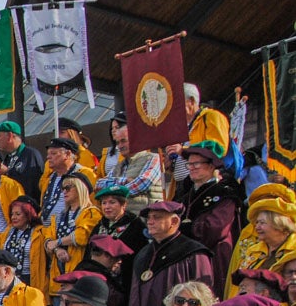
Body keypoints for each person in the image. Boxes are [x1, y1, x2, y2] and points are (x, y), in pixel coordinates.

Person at [174, 141, 242, 275]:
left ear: (211, 166)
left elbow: (216, 229)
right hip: (184, 257)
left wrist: (184, 229)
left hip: (212, 257)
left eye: (196, 164)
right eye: (189, 164)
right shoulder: (186, 195)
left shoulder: (225, 194)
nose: (191, 168)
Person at [227, 184, 296, 296]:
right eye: (257, 222)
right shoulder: (253, 251)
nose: (257, 227)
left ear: (278, 224)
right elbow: (238, 287)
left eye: (262, 223)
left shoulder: (293, 250)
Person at [43, 175, 103, 300]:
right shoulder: (59, 216)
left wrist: (57, 242)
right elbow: (48, 240)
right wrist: (57, 249)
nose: (64, 191)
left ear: (80, 188)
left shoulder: (91, 212)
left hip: (79, 274)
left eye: (68, 187)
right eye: (62, 188)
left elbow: (81, 237)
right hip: (58, 277)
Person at [95, 115, 163, 210]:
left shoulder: (153, 158)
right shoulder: (118, 166)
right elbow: (99, 184)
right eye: (118, 143)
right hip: (124, 220)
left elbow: (142, 184)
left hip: (147, 220)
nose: (120, 146)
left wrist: (112, 188)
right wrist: (125, 181)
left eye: (123, 141)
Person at [0, 198, 50, 297]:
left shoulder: (40, 232)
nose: (13, 217)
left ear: (28, 214)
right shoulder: (8, 231)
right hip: (8, 280)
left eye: (18, 214)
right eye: (12, 214)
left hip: (30, 279)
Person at [39, 137, 92, 225]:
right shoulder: (49, 179)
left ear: (67, 154)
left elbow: (92, 202)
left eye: (53, 153)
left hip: (72, 228)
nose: (48, 157)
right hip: (47, 232)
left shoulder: (85, 174)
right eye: (48, 154)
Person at [0, 120, 44, 200]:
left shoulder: (30, 154)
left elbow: (32, 183)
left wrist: (7, 172)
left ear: (10, 136)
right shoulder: (8, 157)